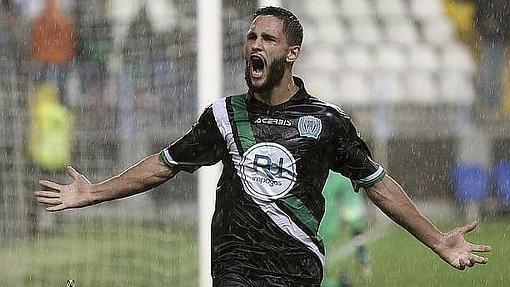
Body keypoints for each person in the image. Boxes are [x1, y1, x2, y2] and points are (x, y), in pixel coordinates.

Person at [34, 6, 491, 286]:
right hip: (236, 267)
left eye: (267, 38)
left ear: (291, 53)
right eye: (251, 36)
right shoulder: (224, 117)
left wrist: (437, 241)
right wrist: (93, 192)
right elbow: (164, 164)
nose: (255, 43)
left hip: (297, 269)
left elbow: (378, 185)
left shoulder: (325, 122)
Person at [320, 171, 371, 287]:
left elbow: (354, 216)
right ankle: (343, 283)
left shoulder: (340, 179)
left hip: (320, 230)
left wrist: (362, 254)